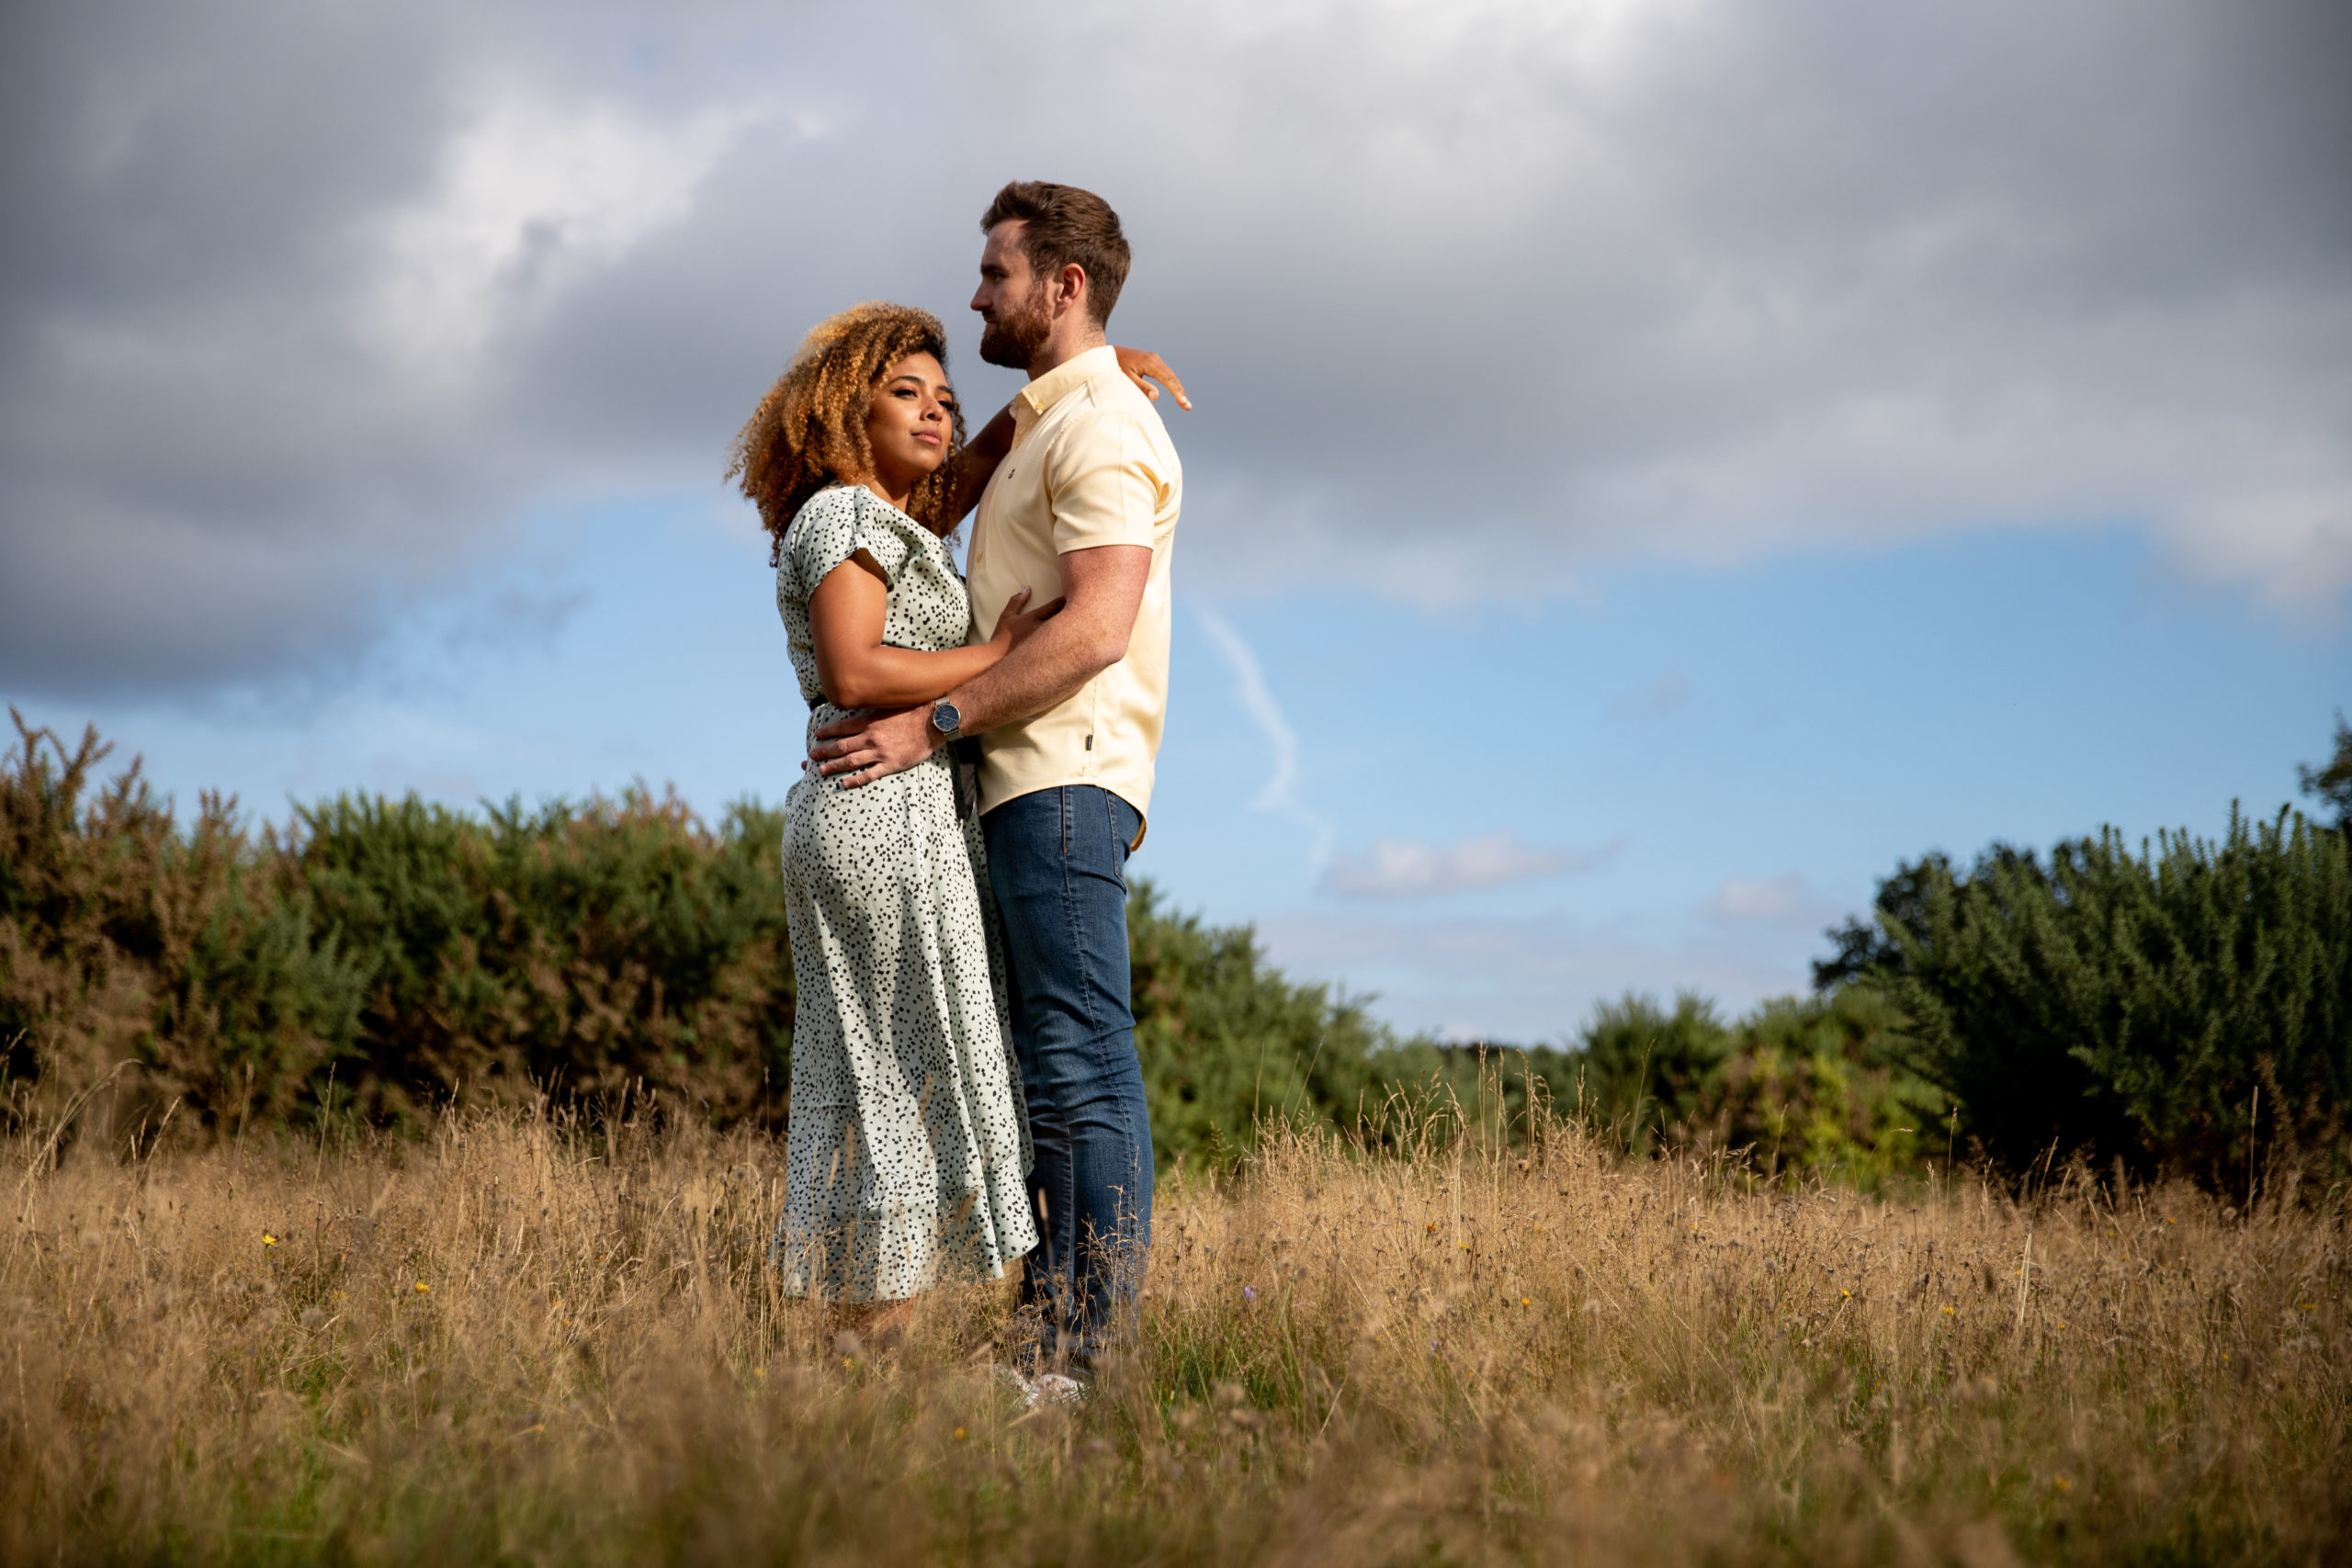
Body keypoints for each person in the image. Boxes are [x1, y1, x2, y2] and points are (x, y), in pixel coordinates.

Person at [729, 301, 1184, 1330]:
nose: (937, 415)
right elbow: (855, 669)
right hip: (876, 809)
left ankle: (868, 1355)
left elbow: (973, 462)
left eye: (946, 398)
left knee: (899, 1081)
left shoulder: (892, 524)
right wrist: (999, 657)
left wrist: (1095, 371)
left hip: (902, 813)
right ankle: (863, 1352)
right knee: (895, 1085)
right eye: (906, 395)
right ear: (849, 409)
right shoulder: (844, 515)